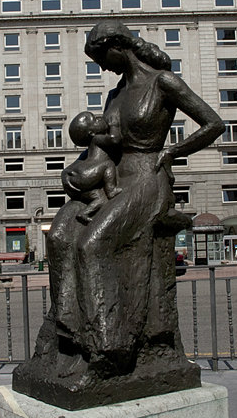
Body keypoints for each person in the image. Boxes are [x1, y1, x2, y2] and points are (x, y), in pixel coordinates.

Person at [22, 19, 225, 383]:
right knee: (59, 236)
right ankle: (68, 339)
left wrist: (173, 151)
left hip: (148, 177)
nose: (102, 68)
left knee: (92, 244)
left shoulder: (163, 82)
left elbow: (213, 123)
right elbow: (106, 141)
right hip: (113, 175)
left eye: (102, 58)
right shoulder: (114, 95)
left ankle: (107, 350)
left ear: (118, 47)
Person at [61, 111, 123, 224]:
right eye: (94, 120)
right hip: (88, 173)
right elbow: (114, 139)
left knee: (100, 199)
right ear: (91, 132)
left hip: (80, 177)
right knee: (108, 164)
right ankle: (111, 190)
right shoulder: (97, 139)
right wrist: (114, 125)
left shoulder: (91, 144)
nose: (99, 119)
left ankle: (84, 213)